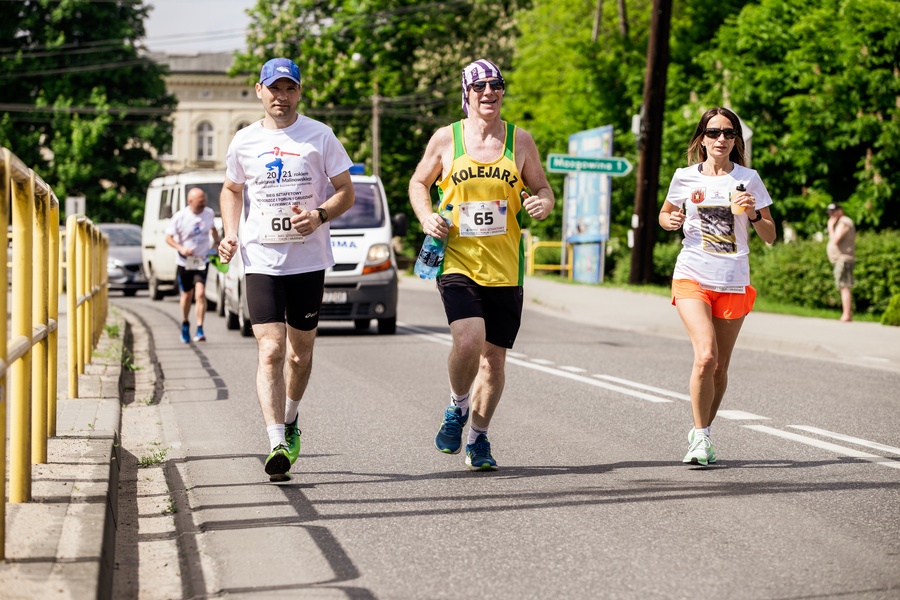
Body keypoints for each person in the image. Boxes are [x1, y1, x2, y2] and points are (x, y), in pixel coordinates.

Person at [408, 59, 555, 471]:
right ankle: (457, 407)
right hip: (457, 260)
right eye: (480, 87)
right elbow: (419, 182)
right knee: (469, 341)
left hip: (506, 267)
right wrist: (425, 216)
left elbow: (543, 188)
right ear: (467, 94)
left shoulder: (520, 141)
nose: (489, 93)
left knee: (494, 360)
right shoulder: (446, 138)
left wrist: (543, 203)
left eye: (497, 85)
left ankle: (479, 438)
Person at [217, 57, 355, 481]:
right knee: (271, 349)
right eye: (273, 88)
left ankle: (291, 418)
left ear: (299, 92)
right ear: (259, 91)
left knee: (300, 352)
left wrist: (319, 215)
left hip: (308, 260)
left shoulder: (320, 135)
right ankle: (276, 439)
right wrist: (230, 232)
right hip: (261, 258)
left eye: (289, 88)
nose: (281, 96)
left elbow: (346, 191)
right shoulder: (243, 141)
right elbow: (231, 189)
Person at [658, 107, 777, 466]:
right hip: (692, 274)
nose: (721, 139)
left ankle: (702, 431)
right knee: (705, 355)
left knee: (720, 367)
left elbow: (770, 236)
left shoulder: (748, 178)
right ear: (702, 138)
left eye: (728, 133)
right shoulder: (684, 177)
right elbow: (665, 215)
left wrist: (755, 213)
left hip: (732, 279)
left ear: (736, 140)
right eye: (713, 132)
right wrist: (671, 220)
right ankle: (701, 438)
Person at [165, 187, 220, 343]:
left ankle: (200, 328)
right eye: (200, 202)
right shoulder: (180, 217)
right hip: (185, 262)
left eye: (204, 201)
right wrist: (181, 248)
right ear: (190, 201)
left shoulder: (208, 213)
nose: (203, 204)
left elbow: (213, 229)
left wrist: (216, 243)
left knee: (201, 292)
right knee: (187, 295)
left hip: (202, 260)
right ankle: (185, 322)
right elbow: (168, 238)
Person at [826, 202, 856, 322]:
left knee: (844, 286)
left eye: (833, 212)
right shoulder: (840, 222)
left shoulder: (844, 222)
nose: (831, 215)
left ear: (840, 210)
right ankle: (847, 313)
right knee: (843, 286)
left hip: (843, 259)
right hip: (841, 259)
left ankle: (846, 314)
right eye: (829, 213)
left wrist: (830, 226)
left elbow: (836, 240)